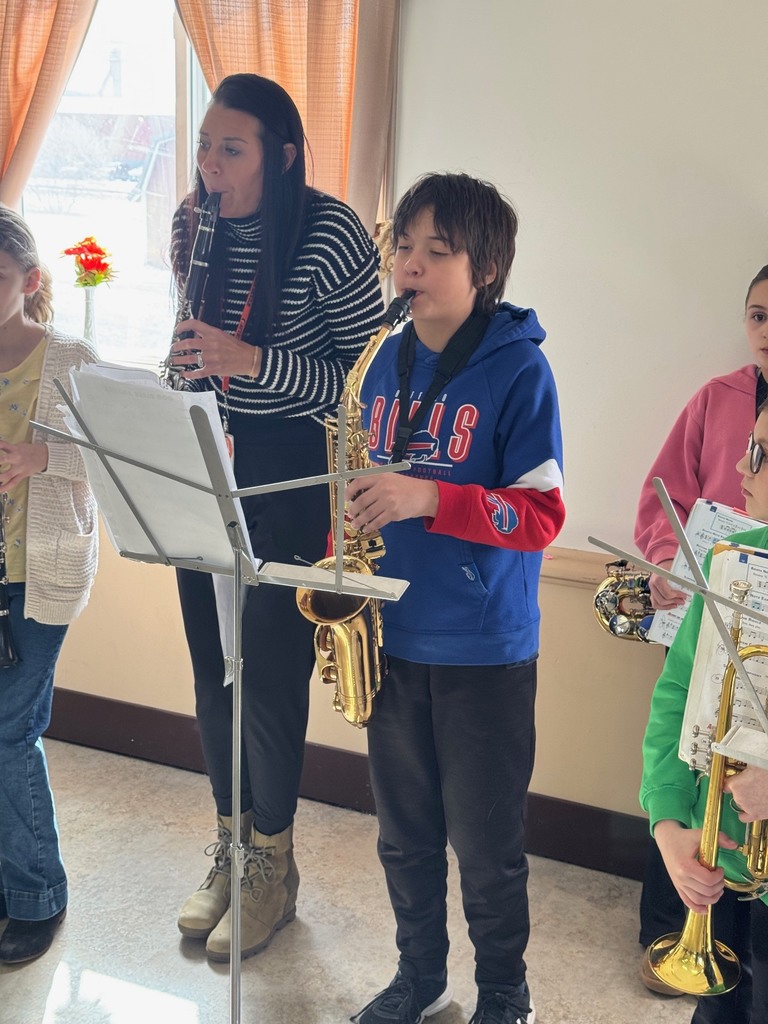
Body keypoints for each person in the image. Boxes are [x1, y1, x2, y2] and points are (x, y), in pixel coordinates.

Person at [166, 73, 384, 962]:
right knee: (210, 667)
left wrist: (251, 361)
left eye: (232, 149)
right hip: (200, 452)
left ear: (283, 153)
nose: (211, 168)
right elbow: (188, 341)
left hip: (291, 471)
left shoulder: (331, 232)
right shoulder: (191, 223)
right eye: (206, 147)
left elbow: (364, 386)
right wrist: (183, 369)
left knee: (267, 672)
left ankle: (273, 865)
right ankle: (229, 843)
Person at [346, 173, 565, 1024]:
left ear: (488, 269)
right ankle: (419, 973)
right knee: (403, 835)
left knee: (485, 845)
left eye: (438, 251)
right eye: (403, 245)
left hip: (483, 647)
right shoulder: (380, 358)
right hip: (391, 635)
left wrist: (430, 497)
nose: (412, 264)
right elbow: (362, 484)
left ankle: (504, 992)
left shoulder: (521, 370)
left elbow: (542, 513)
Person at [633, 264, 768, 995]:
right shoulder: (717, 399)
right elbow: (664, 498)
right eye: (756, 315)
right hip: (712, 598)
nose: (766, 331)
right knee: (689, 752)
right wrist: (669, 564)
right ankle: (678, 931)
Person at [0, 206, 99, 963]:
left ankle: (38, 894)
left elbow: (114, 458)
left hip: (39, 577)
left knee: (9, 735)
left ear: (30, 282)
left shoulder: (69, 357)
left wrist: (41, 461)